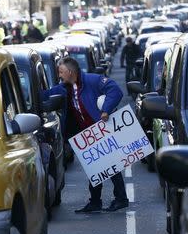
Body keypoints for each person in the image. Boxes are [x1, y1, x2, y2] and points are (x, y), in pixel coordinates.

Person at [43, 57, 129, 213]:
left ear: (70, 72)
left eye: (61, 72)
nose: (60, 75)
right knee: (94, 166)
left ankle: (121, 199)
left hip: (100, 129)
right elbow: (45, 95)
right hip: (85, 135)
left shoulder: (93, 80)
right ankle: (96, 201)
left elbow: (115, 91)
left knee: (110, 164)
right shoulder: (64, 88)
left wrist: (106, 110)